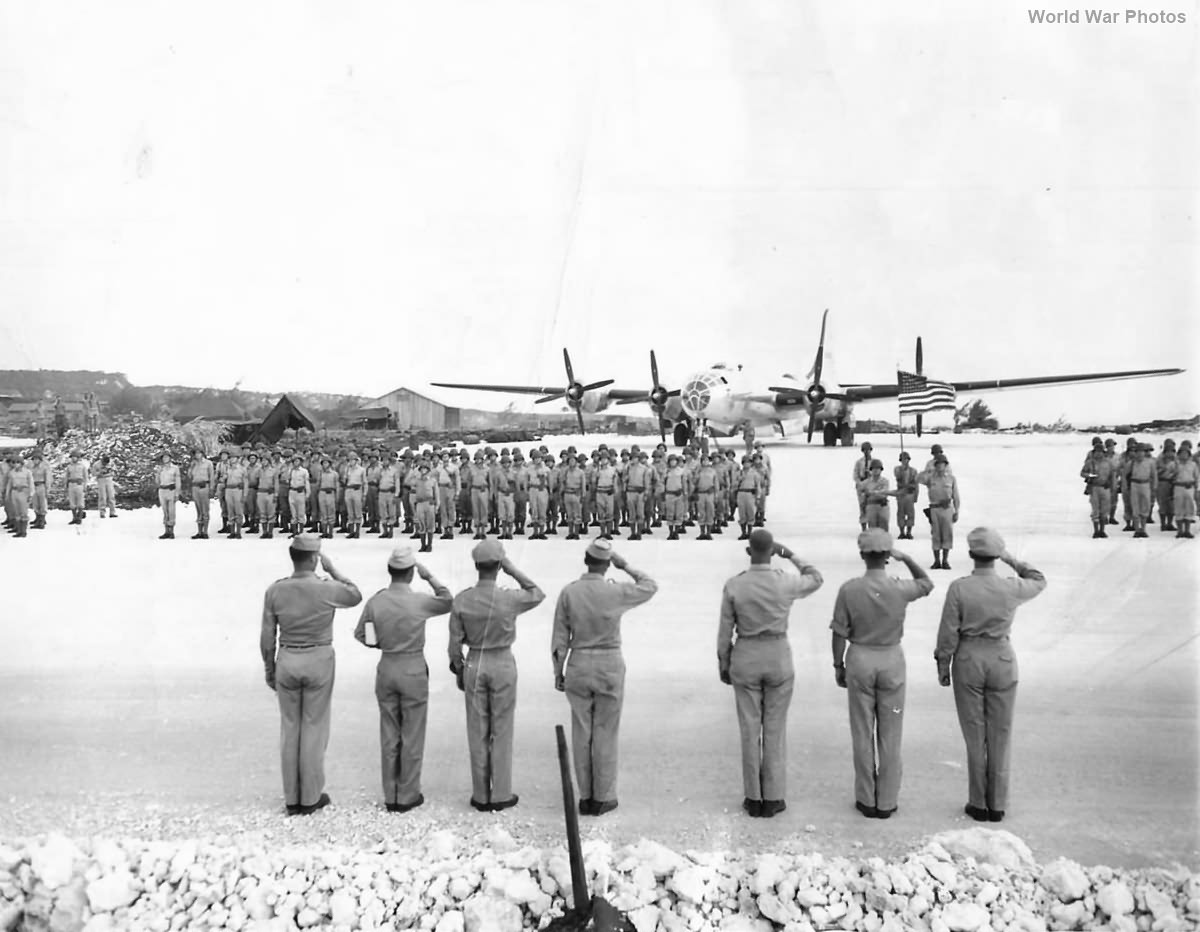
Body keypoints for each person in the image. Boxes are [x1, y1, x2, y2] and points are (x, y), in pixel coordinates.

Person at [934, 528, 1046, 823]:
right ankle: (997, 803)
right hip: (1001, 657)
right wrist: (1010, 558)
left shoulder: (960, 588)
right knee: (1001, 733)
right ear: (996, 556)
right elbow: (1039, 579)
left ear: (971, 554)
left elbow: (948, 632)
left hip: (969, 659)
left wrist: (943, 665)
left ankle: (978, 801)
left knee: (975, 735)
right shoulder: (1010, 587)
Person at [829, 528, 934, 819]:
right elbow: (926, 583)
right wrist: (908, 558)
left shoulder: (849, 589)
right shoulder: (899, 588)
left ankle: (866, 797)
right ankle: (887, 800)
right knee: (891, 731)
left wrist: (839, 665)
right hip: (891, 660)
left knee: (862, 731)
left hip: (860, 658)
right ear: (887, 556)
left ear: (862, 554)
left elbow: (839, 633)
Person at [718, 529, 823, 818]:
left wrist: (724, 663)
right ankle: (774, 796)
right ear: (772, 551)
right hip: (777, 654)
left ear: (749, 552)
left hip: (746, 655)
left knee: (749, 730)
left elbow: (724, 631)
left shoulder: (735, 585)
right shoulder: (784, 582)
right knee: (775, 729)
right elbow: (816, 578)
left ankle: (753, 796)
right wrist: (790, 555)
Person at [552, 538, 658, 816]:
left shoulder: (569, 592)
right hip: (609, 661)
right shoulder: (616, 592)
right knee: (606, 732)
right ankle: (604, 795)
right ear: (607, 564)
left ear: (586, 560)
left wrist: (558, 671)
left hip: (579, 662)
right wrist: (625, 566)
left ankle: (585, 795)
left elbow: (559, 637)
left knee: (582, 731)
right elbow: (650, 586)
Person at [261, 533, 362, 815]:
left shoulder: (276, 590)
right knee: (314, 729)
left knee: (290, 729)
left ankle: (292, 797)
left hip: (288, 657)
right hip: (318, 657)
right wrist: (333, 570)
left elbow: (267, 634)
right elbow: (355, 594)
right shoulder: (326, 588)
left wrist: (270, 668)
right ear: (315, 559)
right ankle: (310, 796)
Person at [447, 541, 545, 812]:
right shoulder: (509, 598)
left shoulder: (463, 599)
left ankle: (481, 793)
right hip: (501, 660)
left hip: (475, 661)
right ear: (499, 566)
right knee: (501, 729)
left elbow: (454, 644)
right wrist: (512, 569)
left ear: (476, 566)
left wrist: (458, 668)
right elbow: (537, 593)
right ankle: (500, 792)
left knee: (477, 730)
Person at [354, 546, 452, 812]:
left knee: (389, 732)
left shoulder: (377, 601)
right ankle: (407, 793)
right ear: (410, 573)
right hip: (412, 666)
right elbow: (447, 600)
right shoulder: (419, 600)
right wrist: (429, 576)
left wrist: (380, 643)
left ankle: (391, 793)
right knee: (413, 732)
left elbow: (361, 634)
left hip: (387, 665)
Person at [919, 455, 959, 569]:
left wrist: (957, 511)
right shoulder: (931, 478)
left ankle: (945, 560)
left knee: (947, 534)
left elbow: (956, 496)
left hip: (947, 509)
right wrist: (928, 470)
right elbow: (918, 479)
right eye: (938, 464)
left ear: (946, 465)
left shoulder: (951, 479)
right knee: (936, 534)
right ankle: (936, 561)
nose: (940, 466)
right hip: (934, 508)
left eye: (942, 464)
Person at [1080, 438, 1115, 539]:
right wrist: (1089, 475)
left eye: (1100, 452)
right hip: (1094, 487)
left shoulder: (1108, 462)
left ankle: (1102, 530)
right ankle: (1096, 531)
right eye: (1097, 452)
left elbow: (1112, 475)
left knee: (1105, 510)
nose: (1099, 454)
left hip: (1105, 488)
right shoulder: (1090, 463)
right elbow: (1082, 473)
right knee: (1095, 510)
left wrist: (1113, 488)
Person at [2, 454, 33, 537]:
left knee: (23, 511)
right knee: (16, 512)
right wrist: (7, 494)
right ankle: (19, 530)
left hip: (24, 491)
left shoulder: (27, 472)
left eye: (17, 463)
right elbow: (9, 484)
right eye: (14, 463)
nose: (16, 464)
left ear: (21, 463)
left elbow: (31, 484)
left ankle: (23, 531)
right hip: (14, 492)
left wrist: (31, 494)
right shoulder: (11, 473)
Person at [1173, 446, 1198, 539]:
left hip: (1189, 488)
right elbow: (1171, 476)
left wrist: (1195, 487)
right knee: (1178, 508)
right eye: (1182, 453)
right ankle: (1180, 530)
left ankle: (1187, 530)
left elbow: (1196, 477)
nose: (1184, 455)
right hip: (1178, 487)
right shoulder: (1175, 464)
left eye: (1186, 453)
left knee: (1189, 508)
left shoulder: (1193, 465)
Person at [189, 449, 214, 539]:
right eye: (196, 453)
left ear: (203, 454)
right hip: (195, 487)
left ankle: (205, 531)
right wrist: (191, 467)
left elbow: (211, 476)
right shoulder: (194, 464)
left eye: (199, 453)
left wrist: (211, 488)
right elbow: (190, 476)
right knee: (198, 509)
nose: (197, 455)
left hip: (204, 486)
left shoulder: (208, 463)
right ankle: (199, 531)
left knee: (205, 509)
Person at [852, 443, 875, 531]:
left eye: (868, 450)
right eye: (865, 450)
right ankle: (864, 527)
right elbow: (855, 475)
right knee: (862, 508)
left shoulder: (874, 462)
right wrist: (860, 483)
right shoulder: (859, 462)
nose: (866, 452)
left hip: (871, 486)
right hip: (861, 487)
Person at [65, 449, 89, 525]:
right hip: (71, 484)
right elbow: (66, 476)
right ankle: (74, 517)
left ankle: (79, 518)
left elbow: (85, 477)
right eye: (72, 457)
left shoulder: (82, 466)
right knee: (72, 502)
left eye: (75, 457)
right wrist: (65, 486)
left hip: (79, 484)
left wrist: (85, 486)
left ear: (78, 458)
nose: (73, 458)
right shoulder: (69, 466)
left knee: (80, 502)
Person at [29, 451, 49, 530]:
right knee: (35, 503)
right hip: (34, 486)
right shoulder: (31, 468)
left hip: (41, 485)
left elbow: (47, 478)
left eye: (37, 459)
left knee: (42, 503)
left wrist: (47, 488)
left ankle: (42, 520)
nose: (35, 461)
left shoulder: (44, 468)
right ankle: (37, 518)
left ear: (40, 460)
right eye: (34, 459)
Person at [94, 454, 117, 519]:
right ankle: (102, 512)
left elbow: (114, 470)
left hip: (109, 478)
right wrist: (100, 472)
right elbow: (93, 472)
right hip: (101, 479)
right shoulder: (96, 464)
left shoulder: (111, 463)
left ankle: (112, 512)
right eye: (104, 463)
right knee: (102, 496)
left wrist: (110, 471)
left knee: (111, 496)